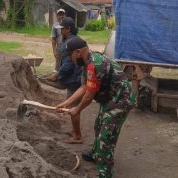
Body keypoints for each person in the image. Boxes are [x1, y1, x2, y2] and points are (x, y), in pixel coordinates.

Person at [56, 36, 137, 178]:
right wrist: (67, 103)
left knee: (106, 135)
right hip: (110, 98)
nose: (70, 59)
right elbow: (84, 86)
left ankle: (105, 171)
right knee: (98, 125)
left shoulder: (95, 64)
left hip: (120, 100)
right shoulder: (87, 63)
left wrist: (77, 109)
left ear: (78, 52)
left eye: (70, 56)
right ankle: (95, 153)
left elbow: (89, 95)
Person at [48, 17, 83, 144]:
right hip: (77, 77)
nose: (60, 31)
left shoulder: (71, 43)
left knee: (73, 108)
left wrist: (57, 75)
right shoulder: (73, 40)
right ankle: (75, 131)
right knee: (73, 108)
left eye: (62, 29)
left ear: (68, 29)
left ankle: (77, 136)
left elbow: (68, 63)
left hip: (75, 79)